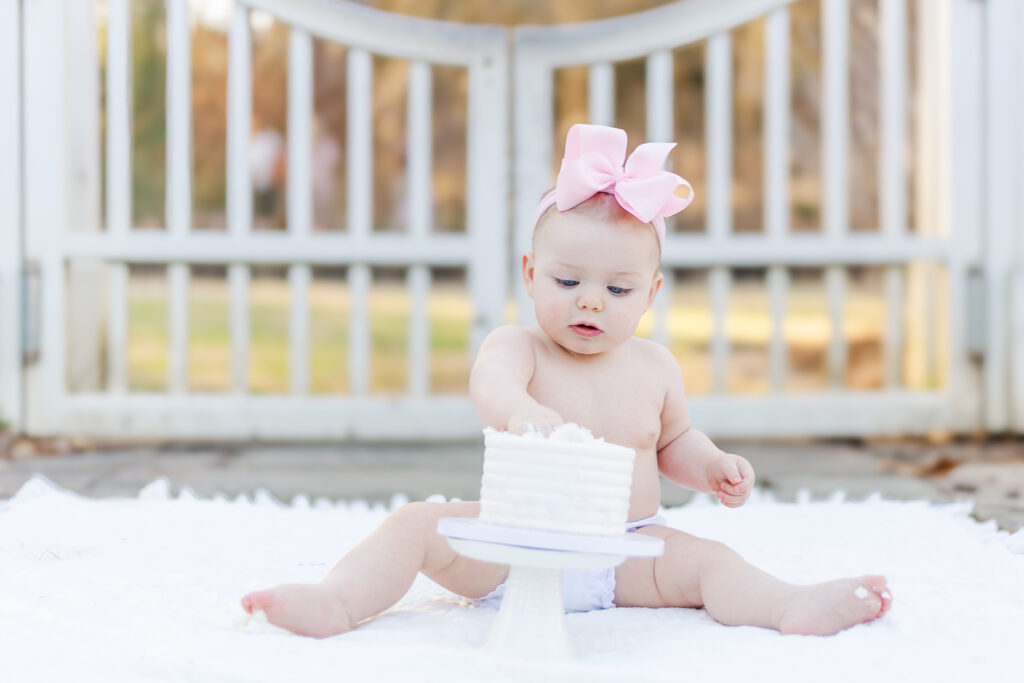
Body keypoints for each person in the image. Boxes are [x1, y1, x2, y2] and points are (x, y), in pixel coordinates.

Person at [240, 124, 892, 638]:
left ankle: (789, 605)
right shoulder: (518, 347)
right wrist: (522, 410)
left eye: (617, 288)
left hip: (626, 550)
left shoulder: (654, 367)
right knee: (416, 525)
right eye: (568, 281)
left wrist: (713, 464)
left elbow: (673, 443)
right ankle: (337, 599)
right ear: (529, 273)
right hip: (511, 542)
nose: (590, 302)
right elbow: (490, 389)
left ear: (651, 293)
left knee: (711, 560)